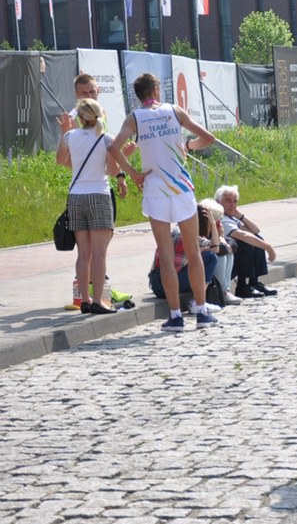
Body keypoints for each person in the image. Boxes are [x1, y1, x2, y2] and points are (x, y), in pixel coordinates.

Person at [107, 72, 220, 331]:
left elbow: (113, 148)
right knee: (193, 252)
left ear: (138, 95)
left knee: (166, 257)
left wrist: (132, 173)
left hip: (155, 187)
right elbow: (208, 138)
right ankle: (202, 312)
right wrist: (189, 146)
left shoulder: (135, 118)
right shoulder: (174, 111)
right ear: (157, 90)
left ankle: (176, 316)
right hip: (181, 187)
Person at [56, 98, 121, 315]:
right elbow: (112, 170)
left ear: (80, 117)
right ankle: (98, 301)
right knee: (99, 254)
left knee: (83, 254)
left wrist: (64, 133)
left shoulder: (69, 136)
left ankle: (84, 300)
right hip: (99, 195)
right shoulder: (106, 138)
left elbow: (61, 160)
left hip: (76, 196)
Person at [57, 74, 128, 217]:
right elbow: (65, 160)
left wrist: (118, 174)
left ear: (98, 91)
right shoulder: (73, 119)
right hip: (85, 187)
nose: (89, 96)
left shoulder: (101, 113)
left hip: (104, 182)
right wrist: (92, 168)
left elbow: (107, 151)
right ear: (77, 94)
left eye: (92, 92)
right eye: (84, 93)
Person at [148, 204, 221, 317]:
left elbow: (215, 247)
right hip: (165, 285)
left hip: (156, 283)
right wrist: (212, 223)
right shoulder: (186, 236)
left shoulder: (176, 232)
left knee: (204, 258)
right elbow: (215, 248)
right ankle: (197, 302)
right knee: (210, 258)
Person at [214, 185, 278, 298]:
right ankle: (242, 286)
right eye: (228, 201)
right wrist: (268, 248)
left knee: (257, 238)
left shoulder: (231, 218)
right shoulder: (221, 218)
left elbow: (255, 230)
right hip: (223, 264)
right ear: (218, 202)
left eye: (235, 202)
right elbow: (243, 235)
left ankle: (254, 283)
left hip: (231, 261)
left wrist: (239, 216)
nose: (232, 205)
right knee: (246, 243)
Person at [200, 198, 242, 305]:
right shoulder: (201, 232)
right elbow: (217, 248)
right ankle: (222, 291)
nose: (219, 223)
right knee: (221, 256)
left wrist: (222, 237)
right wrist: (221, 239)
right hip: (201, 268)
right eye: (216, 220)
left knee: (229, 254)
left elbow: (232, 244)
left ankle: (225, 290)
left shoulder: (214, 230)